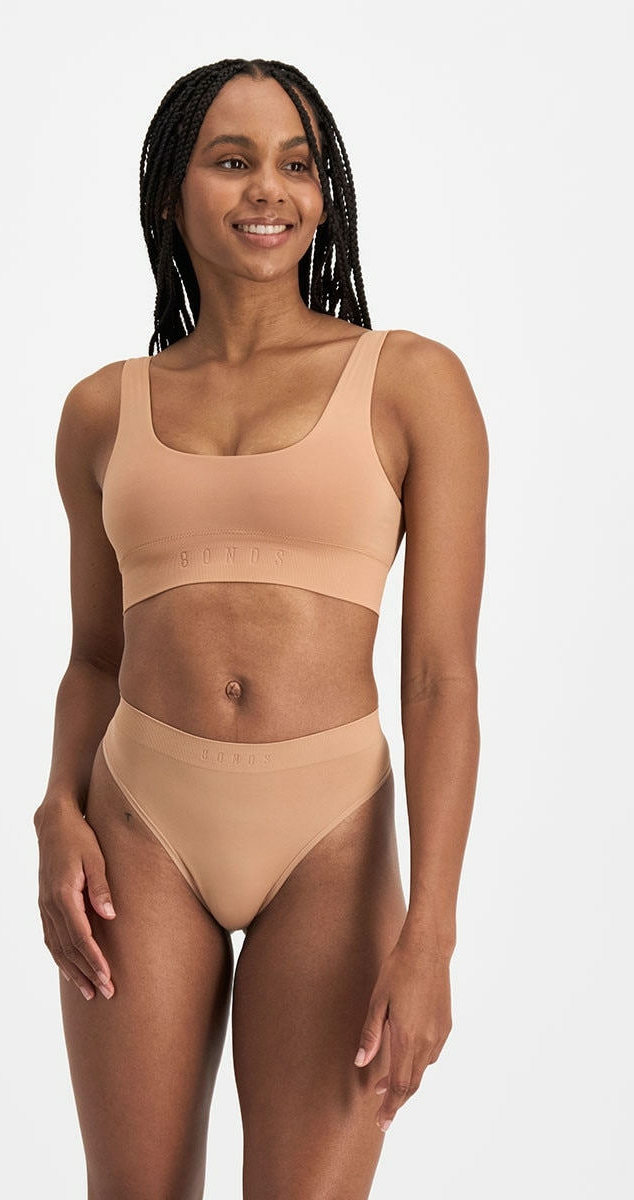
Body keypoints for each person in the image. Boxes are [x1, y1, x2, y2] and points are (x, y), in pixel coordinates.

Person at [33, 57, 488, 1200]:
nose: (267, 189)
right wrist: (54, 807)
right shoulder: (101, 411)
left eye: (296, 164)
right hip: (138, 828)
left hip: (330, 840)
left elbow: (439, 680)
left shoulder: (411, 384)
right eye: (230, 161)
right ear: (171, 192)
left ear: (324, 195)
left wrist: (431, 931)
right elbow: (93, 658)